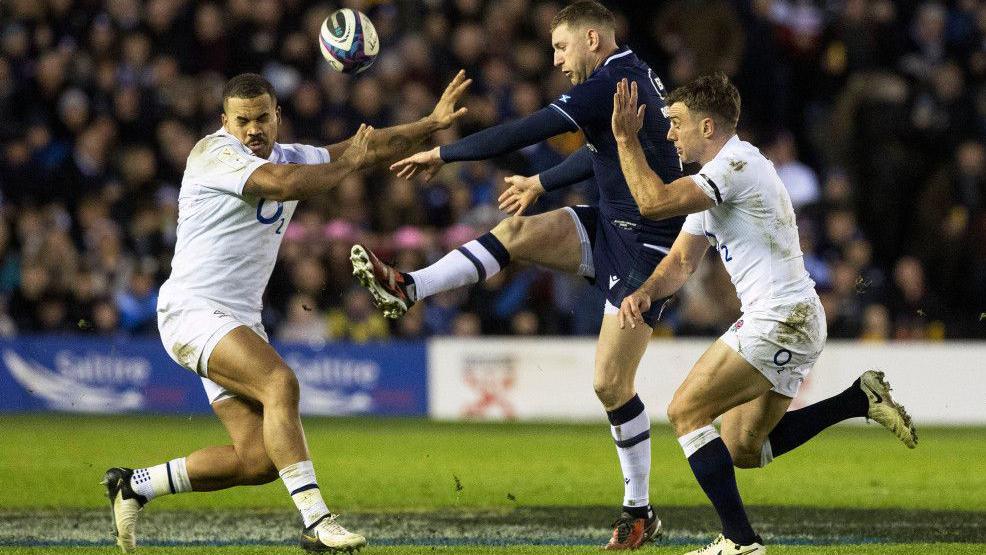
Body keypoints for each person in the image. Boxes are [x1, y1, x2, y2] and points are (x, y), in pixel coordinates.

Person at [351, 1, 680, 549]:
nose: (555, 60)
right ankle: (411, 287)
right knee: (515, 233)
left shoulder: (611, 81)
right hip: (610, 221)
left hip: (646, 246)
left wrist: (444, 152)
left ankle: (639, 510)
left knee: (609, 384)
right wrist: (542, 184)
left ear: (592, 39)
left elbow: (528, 128)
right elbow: (601, 152)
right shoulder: (626, 73)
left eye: (561, 46)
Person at [102, 70, 471, 553]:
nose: (253, 129)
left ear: (278, 117)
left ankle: (134, 485)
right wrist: (349, 164)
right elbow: (281, 184)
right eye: (242, 121)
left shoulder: (293, 155)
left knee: (256, 460)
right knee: (281, 383)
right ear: (224, 122)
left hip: (236, 319)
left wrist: (429, 124)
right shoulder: (212, 153)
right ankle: (317, 521)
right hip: (191, 311)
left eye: (262, 118)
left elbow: (368, 148)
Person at [612, 73, 917, 555]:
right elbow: (681, 262)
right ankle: (857, 400)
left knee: (684, 412)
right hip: (794, 317)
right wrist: (647, 292)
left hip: (779, 318)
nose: (670, 133)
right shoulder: (716, 181)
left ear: (708, 126)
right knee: (742, 450)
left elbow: (652, 203)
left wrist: (625, 139)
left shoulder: (734, 164)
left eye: (677, 123)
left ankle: (740, 542)